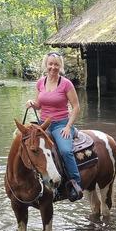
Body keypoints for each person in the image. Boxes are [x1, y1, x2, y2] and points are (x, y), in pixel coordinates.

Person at [26, 51, 83, 202]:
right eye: (50, 64)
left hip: (61, 124)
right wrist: (32, 103)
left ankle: (75, 184)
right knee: (26, 144)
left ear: (60, 66)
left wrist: (68, 127)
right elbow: (39, 106)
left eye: (56, 64)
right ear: (46, 64)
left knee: (65, 150)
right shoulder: (40, 83)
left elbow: (76, 107)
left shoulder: (66, 84)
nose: (53, 67)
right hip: (43, 124)